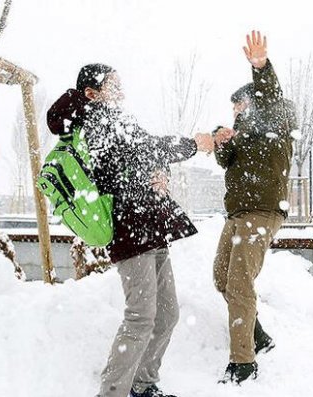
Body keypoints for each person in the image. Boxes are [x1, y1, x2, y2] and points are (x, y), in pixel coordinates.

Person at [47, 63, 214, 397]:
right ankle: (112, 392)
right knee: (141, 317)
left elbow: (143, 153)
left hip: (151, 226)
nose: (121, 90)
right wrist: (192, 144)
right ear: (92, 93)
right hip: (130, 230)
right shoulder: (96, 120)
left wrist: (160, 172)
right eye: (113, 85)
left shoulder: (119, 119)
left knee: (167, 314)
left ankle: (143, 385)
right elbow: (141, 149)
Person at [211, 31, 298, 384]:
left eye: (240, 105)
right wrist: (220, 139)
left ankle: (243, 363)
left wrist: (260, 67)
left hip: (262, 213)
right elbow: (226, 161)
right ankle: (257, 334)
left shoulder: (275, 120)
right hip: (237, 214)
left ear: (254, 102)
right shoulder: (242, 135)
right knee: (222, 277)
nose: (236, 112)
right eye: (233, 108)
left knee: (240, 283)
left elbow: (271, 97)